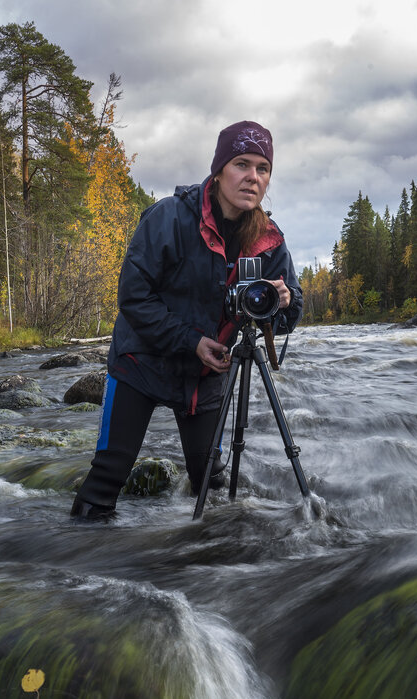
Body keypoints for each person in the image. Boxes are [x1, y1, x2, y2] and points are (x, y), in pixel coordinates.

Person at [71, 120, 303, 519]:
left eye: (262, 168)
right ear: (218, 170)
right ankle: (80, 570)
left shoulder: (268, 239)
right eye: (241, 164)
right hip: (140, 362)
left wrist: (283, 302)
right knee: (108, 477)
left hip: (206, 374)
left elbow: (288, 314)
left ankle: (209, 562)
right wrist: (191, 340)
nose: (252, 177)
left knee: (208, 483)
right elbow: (133, 297)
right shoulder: (169, 218)